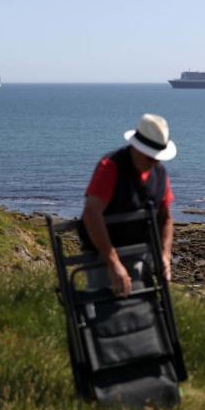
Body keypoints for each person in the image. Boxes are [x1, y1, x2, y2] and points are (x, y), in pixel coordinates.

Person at [81, 114, 177, 297]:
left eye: (158, 158)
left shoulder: (160, 173)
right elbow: (91, 213)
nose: (155, 162)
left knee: (143, 309)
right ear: (136, 148)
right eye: (151, 157)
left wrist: (165, 256)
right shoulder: (110, 167)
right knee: (104, 307)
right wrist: (113, 263)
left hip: (141, 252)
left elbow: (166, 218)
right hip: (102, 254)